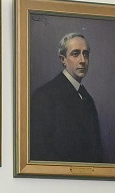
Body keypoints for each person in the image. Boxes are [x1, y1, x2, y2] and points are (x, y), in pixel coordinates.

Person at [28, 32, 103, 164]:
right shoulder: (45, 96)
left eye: (85, 53)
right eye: (75, 54)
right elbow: (40, 152)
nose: (82, 60)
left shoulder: (87, 99)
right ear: (63, 59)